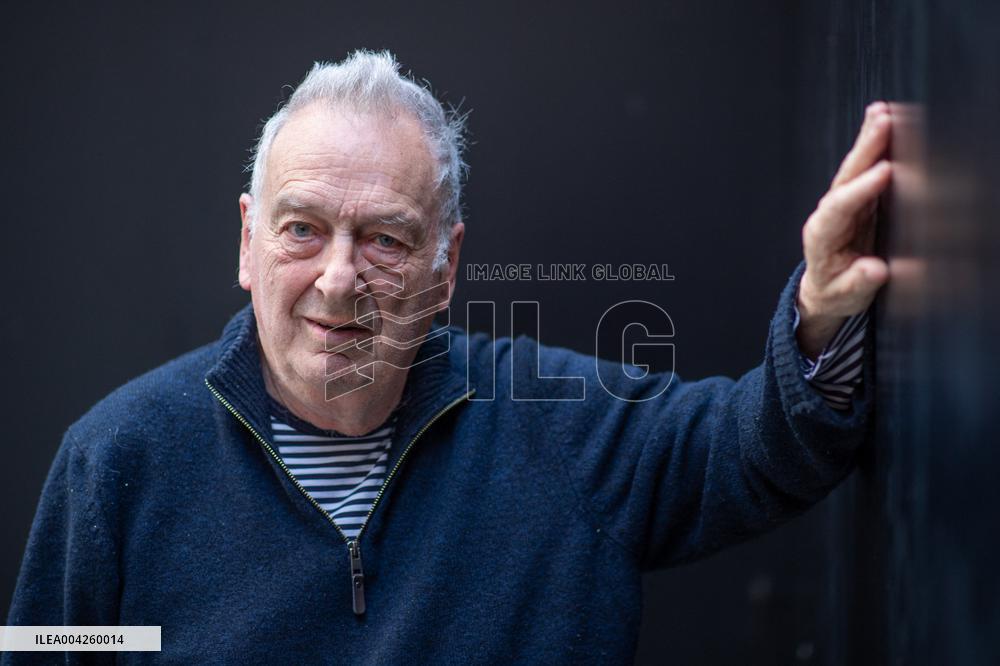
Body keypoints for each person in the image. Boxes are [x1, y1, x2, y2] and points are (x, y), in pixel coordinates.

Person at [3, 50, 891, 664]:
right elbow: (56, 650)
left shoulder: (564, 433)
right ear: (247, 241)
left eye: (386, 239)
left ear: (447, 263)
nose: (340, 279)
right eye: (303, 229)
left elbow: (760, 446)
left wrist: (821, 311)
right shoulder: (117, 459)